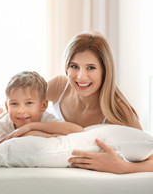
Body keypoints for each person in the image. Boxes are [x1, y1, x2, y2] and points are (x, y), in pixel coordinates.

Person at [47, 31, 153, 173]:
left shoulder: (118, 109)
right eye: (74, 66)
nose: (81, 76)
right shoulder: (59, 86)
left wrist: (123, 167)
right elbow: (19, 105)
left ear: (104, 71)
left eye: (91, 67)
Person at [0, 71, 84, 144]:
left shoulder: (45, 118)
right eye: (14, 104)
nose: (20, 110)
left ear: (43, 106)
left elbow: (78, 130)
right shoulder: (3, 125)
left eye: (28, 103)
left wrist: (31, 127)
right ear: (7, 108)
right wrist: (33, 134)